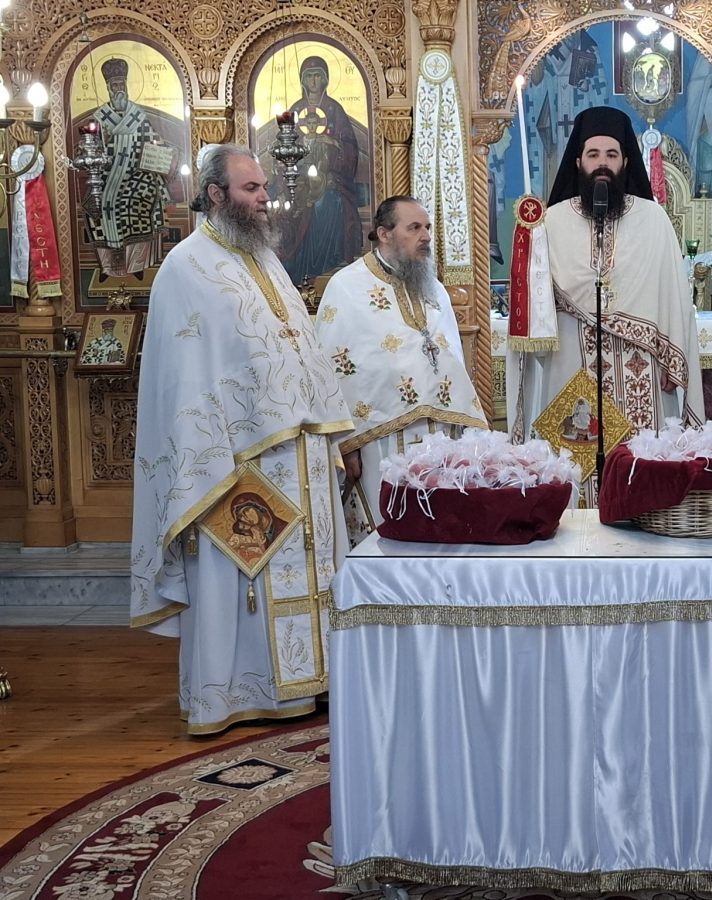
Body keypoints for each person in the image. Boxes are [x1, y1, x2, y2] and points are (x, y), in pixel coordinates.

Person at [130, 144, 354, 736]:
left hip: (297, 452)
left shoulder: (264, 258)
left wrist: (325, 434)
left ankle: (315, 682)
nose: (264, 198)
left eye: (263, 187)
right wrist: (212, 453)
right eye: (251, 189)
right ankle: (236, 693)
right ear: (215, 194)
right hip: (233, 464)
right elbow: (184, 379)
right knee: (245, 576)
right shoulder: (185, 268)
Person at [506, 107, 704, 466]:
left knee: (640, 468)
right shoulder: (551, 222)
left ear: (625, 162)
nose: (602, 163)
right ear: (578, 161)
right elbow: (536, 303)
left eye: (611, 154)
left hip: (641, 366)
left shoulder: (653, 220)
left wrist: (674, 360)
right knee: (573, 466)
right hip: (570, 361)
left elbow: (674, 296)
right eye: (593, 154)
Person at [315, 196, 486, 537]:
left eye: (427, 228)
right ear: (384, 234)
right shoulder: (347, 288)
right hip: (379, 439)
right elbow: (332, 371)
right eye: (414, 228)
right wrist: (344, 445)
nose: (426, 236)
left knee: (441, 529)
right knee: (387, 532)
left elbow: (451, 357)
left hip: (441, 437)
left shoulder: (433, 288)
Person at [84, 58, 174, 279]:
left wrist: (158, 151)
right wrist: (99, 143)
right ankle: (108, 267)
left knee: (137, 204)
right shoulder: (101, 118)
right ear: (108, 88)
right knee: (96, 208)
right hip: (107, 177)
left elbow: (154, 141)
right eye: (114, 85)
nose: (119, 90)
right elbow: (86, 148)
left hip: (138, 176)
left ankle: (137, 264)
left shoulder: (138, 116)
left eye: (122, 85)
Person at [278, 56, 362, 284]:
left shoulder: (335, 109)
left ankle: (327, 265)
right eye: (309, 76)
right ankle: (297, 269)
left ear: (325, 79)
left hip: (332, 178)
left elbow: (349, 147)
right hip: (298, 178)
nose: (313, 81)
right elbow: (283, 146)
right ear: (302, 81)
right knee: (290, 207)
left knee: (328, 203)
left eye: (317, 76)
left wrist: (331, 147)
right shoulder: (295, 110)